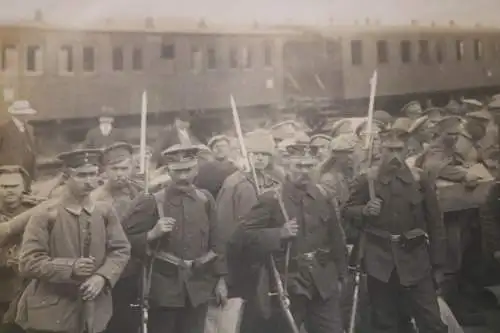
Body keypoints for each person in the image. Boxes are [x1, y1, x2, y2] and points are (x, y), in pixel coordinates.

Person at [231, 137, 347, 333]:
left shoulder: (323, 196)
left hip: (323, 280)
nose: (304, 171)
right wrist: (278, 234)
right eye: (299, 165)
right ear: (287, 164)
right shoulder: (272, 198)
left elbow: (336, 237)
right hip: (289, 282)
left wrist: (342, 274)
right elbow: (240, 238)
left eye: (309, 166)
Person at [15, 148, 131, 333]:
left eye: (92, 174)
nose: (89, 181)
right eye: (81, 175)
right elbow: (28, 262)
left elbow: (121, 250)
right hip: (53, 313)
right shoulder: (46, 214)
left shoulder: (104, 212)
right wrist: (70, 267)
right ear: (66, 176)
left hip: (94, 312)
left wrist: (102, 277)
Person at [123, 144, 227, 333]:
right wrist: (152, 234)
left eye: (187, 170)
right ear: (168, 171)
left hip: (198, 287)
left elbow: (217, 242)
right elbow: (124, 242)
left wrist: (220, 280)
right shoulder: (152, 200)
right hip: (164, 290)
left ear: (196, 169)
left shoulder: (205, 200)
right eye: (177, 171)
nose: (183, 176)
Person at [92, 143, 142, 333]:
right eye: (114, 169)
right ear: (105, 170)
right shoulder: (96, 199)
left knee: (130, 322)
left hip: (134, 269)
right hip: (105, 270)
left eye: (124, 168)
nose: (120, 174)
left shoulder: (139, 192)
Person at [204, 163, 259, 333]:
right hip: (235, 269)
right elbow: (233, 233)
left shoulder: (237, 184)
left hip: (230, 267)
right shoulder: (240, 186)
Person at [0, 166, 39, 332]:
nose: (8, 191)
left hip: (30, 291)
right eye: (3, 186)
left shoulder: (37, 211)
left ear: (24, 187)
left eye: (14, 186)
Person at [0, 100, 37, 179]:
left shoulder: (30, 128)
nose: (28, 116)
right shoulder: (4, 129)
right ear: (19, 115)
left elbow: (32, 151)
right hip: (10, 173)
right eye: (26, 114)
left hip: (27, 172)